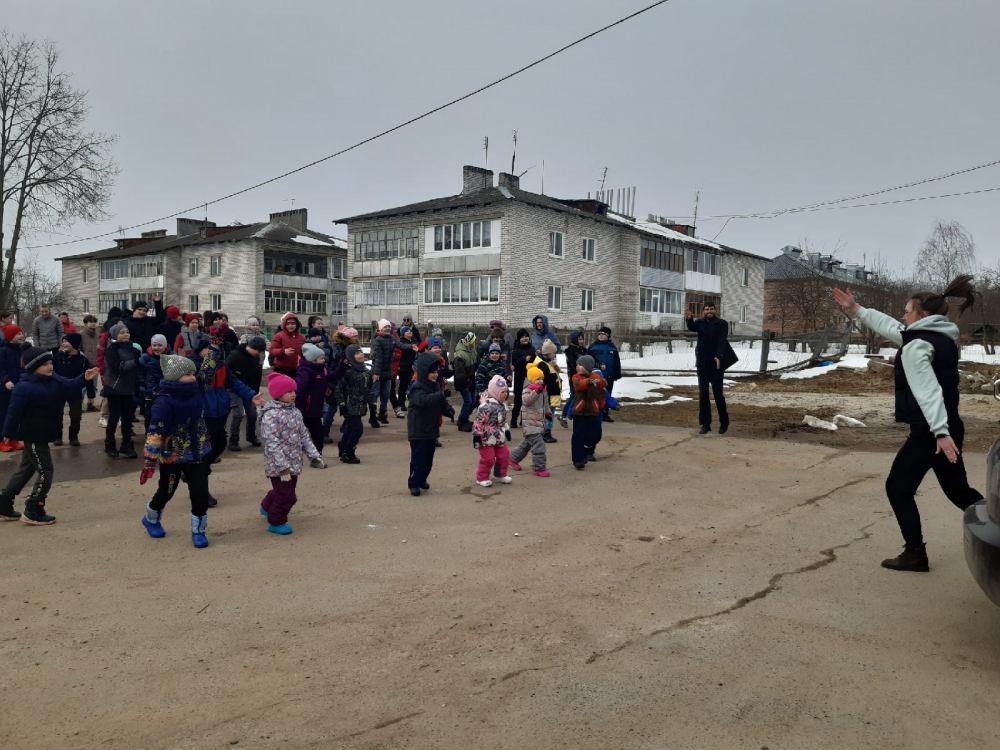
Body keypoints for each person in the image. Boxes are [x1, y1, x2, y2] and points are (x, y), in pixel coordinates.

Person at [832, 278, 984, 572]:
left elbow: (928, 392)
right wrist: (857, 309)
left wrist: (940, 433)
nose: (903, 316)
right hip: (948, 427)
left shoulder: (917, 347)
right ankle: (996, 525)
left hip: (932, 432)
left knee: (898, 488)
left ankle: (914, 553)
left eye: (907, 311)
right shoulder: (940, 337)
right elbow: (893, 327)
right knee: (959, 491)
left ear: (922, 315)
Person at [0, 347, 98, 524]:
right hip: (33, 436)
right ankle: (33, 509)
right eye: (45, 364)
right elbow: (14, 413)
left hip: (45, 433)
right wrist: (7, 433)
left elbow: (70, 385)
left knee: (26, 469)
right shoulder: (24, 387)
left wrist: (84, 378)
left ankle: (3, 504)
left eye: (50, 362)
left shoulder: (54, 379)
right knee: (46, 471)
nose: (50, 366)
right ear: (34, 366)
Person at [139, 354, 214, 548]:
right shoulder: (163, 401)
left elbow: (209, 369)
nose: (193, 376)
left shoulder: (197, 389)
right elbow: (155, 431)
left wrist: (215, 344)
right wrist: (150, 460)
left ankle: (199, 530)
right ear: (174, 377)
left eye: (193, 373)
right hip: (173, 453)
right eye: (187, 374)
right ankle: (151, 518)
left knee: (200, 493)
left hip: (197, 451)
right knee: (167, 490)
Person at [195, 325, 263, 497]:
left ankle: (195, 471)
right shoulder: (194, 366)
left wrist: (250, 395)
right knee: (205, 452)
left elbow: (233, 382)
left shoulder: (221, 365)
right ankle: (201, 488)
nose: (212, 352)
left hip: (220, 411)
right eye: (208, 349)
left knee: (220, 445)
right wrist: (213, 352)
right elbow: (202, 379)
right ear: (201, 351)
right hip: (203, 414)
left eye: (214, 349)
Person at [257, 372, 326, 536]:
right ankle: (276, 521)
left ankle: (266, 506)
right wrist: (283, 467)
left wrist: (314, 455)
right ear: (278, 394)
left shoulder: (295, 412)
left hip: (294, 462)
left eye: (294, 391)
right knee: (288, 496)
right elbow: (271, 443)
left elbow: (304, 435)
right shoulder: (271, 415)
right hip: (279, 466)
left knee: (283, 491)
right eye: (289, 392)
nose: (293, 394)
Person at [406, 352, 454, 496]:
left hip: (431, 430)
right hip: (418, 431)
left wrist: (448, 410)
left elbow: (440, 403)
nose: (435, 375)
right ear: (423, 372)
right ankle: (414, 482)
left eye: (436, 372)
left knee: (428, 460)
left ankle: (422, 479)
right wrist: (440, 396)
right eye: (432, 372)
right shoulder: (417, 387)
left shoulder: (434, 387)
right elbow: (423, 401)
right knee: (418, 459)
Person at [686, 303, 730, 435]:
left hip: (716, 364)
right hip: (702, 364)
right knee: (703, 395)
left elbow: (722, 341)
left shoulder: (722, 323)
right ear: (703, 311)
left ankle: (724, 422)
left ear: (715, 310)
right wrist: (689, 319)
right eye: (706, 309)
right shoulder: (700, 322)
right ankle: (705, 424)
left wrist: (718, 356)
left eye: (711, 309)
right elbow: (692, 327)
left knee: (718, 395)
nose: (709, 311)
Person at [103, 322, 141, 458]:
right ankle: (110, 445)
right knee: (114, 417)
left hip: (128, 388)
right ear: (115, 335)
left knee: (127, 418)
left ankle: (126, 445)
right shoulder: (112, 350)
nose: (126, 334)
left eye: (127, 332)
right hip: (115, 388)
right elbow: (119, 367)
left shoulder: (134, 349)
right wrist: (136, 361)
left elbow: (138, 369)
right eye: (122, 332)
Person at [53, 333, 96, 446]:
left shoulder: (82, 360)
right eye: (63, 341)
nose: (64, 343)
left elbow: (89, 378)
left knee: (76, 415)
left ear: (75, 344)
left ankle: (73, 437)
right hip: (59, 391)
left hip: (75, 391)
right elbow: (51, 372)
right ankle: (57, 436)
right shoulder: (58, 357)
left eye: (67, 341)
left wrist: (91, 395)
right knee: (57, 414)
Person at [508, 364, 551, 477]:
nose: (541, 381)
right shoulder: (527, 390)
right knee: (539, 446)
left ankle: (512, 459)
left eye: (542, 378)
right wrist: (536, 392)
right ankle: (539, 468)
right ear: (532, 379)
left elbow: (545, 403)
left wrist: (548, 413)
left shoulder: (543, 390)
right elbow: (526, 401)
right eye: (538, 379)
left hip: (539, 422)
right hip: (530, 423)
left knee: (526, 445)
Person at [472, 374, 513, 487]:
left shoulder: (503, 406)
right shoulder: (486, 406)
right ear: (495, 392)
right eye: (502, 392)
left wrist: (507, 430)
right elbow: (478, 422)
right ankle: (482, 478)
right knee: (488, 459)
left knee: (504, 455)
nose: (505, 394)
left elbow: (503, 421)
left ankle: (500, 474)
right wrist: (477, 436)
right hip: (486, 438)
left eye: (506, 392)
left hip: (499, 436)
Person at [225, 336, 266, 449]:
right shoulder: (235, 355)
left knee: (252, 413)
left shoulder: (255, 358)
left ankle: (251, 436)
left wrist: (254, 392)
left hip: (248, 390)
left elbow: (256, 376)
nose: (259, 353)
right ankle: (233, 440)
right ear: (251, 347)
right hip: (233, 388)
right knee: (238, 413)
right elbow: (227, 374)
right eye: (257, 351)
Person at [334, 344, 370, 464]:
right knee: (357, 429)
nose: (360, 354)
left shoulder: (364, 369)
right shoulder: (347, 371)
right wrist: (342, 404)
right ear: (350, 356)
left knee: (350, 428)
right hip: (350, 405)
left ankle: (343, 446)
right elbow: (338, 388)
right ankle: (348, 452)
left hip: (360, 404)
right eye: (356, 353)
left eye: (361, 352)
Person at [569, 355, 606, 470]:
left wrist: (600, 382)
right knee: (578, 436)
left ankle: (586, 449)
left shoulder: (595, 377)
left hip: (592, 411)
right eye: (577, 365)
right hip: (579, 412)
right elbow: (579, 385)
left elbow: (602, 384)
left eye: (579, 365)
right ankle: (578, 460)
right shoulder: (576, 377)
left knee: (595, 434)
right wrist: (589, 382)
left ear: (587, 367)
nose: (577, 367)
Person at [296, 343, 329, 453]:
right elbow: (300, 389)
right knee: (299, 433)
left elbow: (331, 377)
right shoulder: (304, 371)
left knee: (318, 433)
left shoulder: (322, 370)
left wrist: (342, 367)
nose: (324, 360)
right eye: (321, 358)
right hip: (305, 408)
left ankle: (317, 453)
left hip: (316, 409)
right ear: (313, 359)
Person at [0, 325, 28, 452]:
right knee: (4, 414)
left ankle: (13, 439)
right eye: (18, 334)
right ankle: (2, 440)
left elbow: (23, 367)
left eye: (21, 333)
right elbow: (1, 369)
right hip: (5, 388)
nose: (21, 336)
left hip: (19, 386)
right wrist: (5, 380)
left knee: (17, 413)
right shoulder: (3, 351)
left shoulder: (21, 350)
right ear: (11, 337)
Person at [588, 326, 622, 423]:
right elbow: (588, 360)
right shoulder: (593, 347)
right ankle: (594, 413)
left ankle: (605, 414)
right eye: (600, 334)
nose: (601, 336)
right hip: (596, 376)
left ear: (608, 336)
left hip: (609, 376)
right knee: (595, 395)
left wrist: (617, 373)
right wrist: (597, 365)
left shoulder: (612, 347)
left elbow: (616, 362)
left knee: (607, 395)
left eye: (603, 334)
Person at [532, 339, 562, 443]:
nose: (555, 355)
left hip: (553, 393)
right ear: (548, 353)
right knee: (548, 414)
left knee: (550, 413)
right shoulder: (542, 365)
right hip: (548, 394)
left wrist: (554, 366)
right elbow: (542, 379)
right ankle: (545, 433)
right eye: (554, 353)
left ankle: (545, 432)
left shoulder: (548, 363)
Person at [138, 334, 168, 433]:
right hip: (150, 392)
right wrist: (143, 386)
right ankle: (149, 435)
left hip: (166, 391)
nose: (157, 348)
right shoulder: (145, 358)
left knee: (165, 414)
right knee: (150, 415)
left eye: (160, 345)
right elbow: (139, 373)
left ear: (165, 346)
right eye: (154, 345)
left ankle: (164, 435)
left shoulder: (171, 357)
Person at [370, 318, 397, 426]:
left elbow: (400, 345)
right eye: (385, 327)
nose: (387, 328)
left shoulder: (392, 339)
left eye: (389, 327)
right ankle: (373, 417)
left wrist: (410, 347)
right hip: (378, 371)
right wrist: (376, 373)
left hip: (387, 372)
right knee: (375, 394)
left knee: (386, 394)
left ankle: (382, 414)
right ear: (380, 328)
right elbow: (379, 358)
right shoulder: (377, 340)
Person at [451, 332, 478, 432]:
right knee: (468, 401)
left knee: (473, 400)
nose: (474, 343)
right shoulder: (460, 354)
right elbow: (459, 372)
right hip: (463, 381)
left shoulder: (472, 351)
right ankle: (462, 421)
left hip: (471, 379)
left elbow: (476, 363)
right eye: (473, 341)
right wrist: (466, 381)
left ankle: (465, 418)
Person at [269, 312, 305, 378]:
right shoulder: (279, 336)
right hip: (281, 369)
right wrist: (283, 351)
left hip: (296, 369)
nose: (290, 326)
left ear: (297, 324)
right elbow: (272, 350)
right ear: (284, 325)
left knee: (295, 388)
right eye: (288, 324)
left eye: (293, 323)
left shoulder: (302, 337)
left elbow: (304, 352)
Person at [79, 315, 100, 411]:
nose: (92, 324)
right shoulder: (80, 335)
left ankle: (90, 404)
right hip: (84, 364)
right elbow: (78, 349)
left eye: (94, 322)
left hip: (96, 363)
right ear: (85, 323)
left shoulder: (98, 335)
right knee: (82, 386)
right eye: (90, 322)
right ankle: (78, 405)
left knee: (94, 385)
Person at [395, 326, 418, 415]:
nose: (410, 332)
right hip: (404, 367)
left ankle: (412, 403)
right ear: (403, 333)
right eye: (407, 331)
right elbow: (403, 349)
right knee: (403, 386)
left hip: (412, 367)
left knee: (412, 385)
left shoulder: (413, 341)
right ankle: (401, 403)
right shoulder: (401, 342)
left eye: (410, 331)